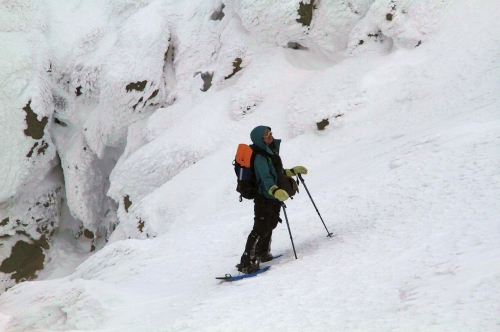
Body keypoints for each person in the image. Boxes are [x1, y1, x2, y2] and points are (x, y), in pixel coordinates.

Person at [236, 126, 308, 274]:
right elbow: (265, 178)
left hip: (273, 196)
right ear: (259, 139)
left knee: (272, 223)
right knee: (260, 227)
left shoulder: (270, 151)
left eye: (270, 133)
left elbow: (277, 172)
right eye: (267, 135)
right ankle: (246, 261)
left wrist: (292, 171)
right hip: (264, 196)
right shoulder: (259, 157)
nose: (270, 136)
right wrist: (275, 190)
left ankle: (262, 253)